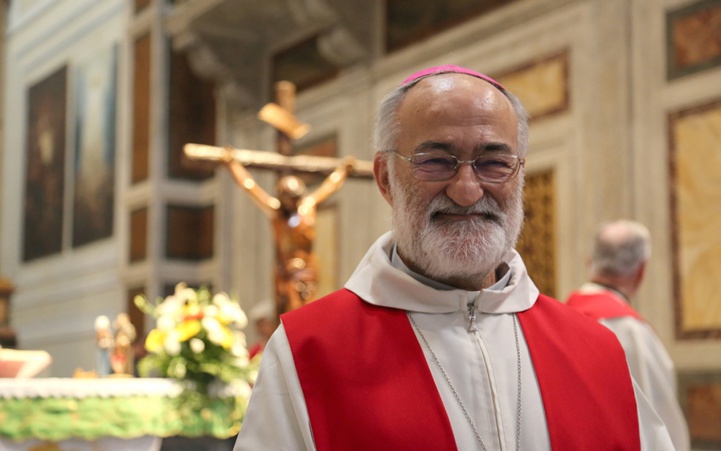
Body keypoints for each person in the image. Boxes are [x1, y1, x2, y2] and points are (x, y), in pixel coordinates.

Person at [233, 65, 674, 450]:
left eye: (493, 162)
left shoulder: (597, 350)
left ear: (519, 173)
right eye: (437, 161)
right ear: (386, 178)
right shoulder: (309, 352)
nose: (467, 189)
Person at [566, 219, 690, 451]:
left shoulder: (562, 317)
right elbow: (657, 423)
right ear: (641, 270)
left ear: (591, 262)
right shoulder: (627, 330)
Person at [223, 150, 356, 314]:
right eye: (288, 198)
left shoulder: (308, 207)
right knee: (290, 310)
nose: (293, 202)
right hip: (287, 270)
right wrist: (232, 165)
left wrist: (343, 171)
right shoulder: (277, 213)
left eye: (295, 197)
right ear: (282, 198)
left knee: (309, 308)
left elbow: (329, 186)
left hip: (308, 268)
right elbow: (250, 186)